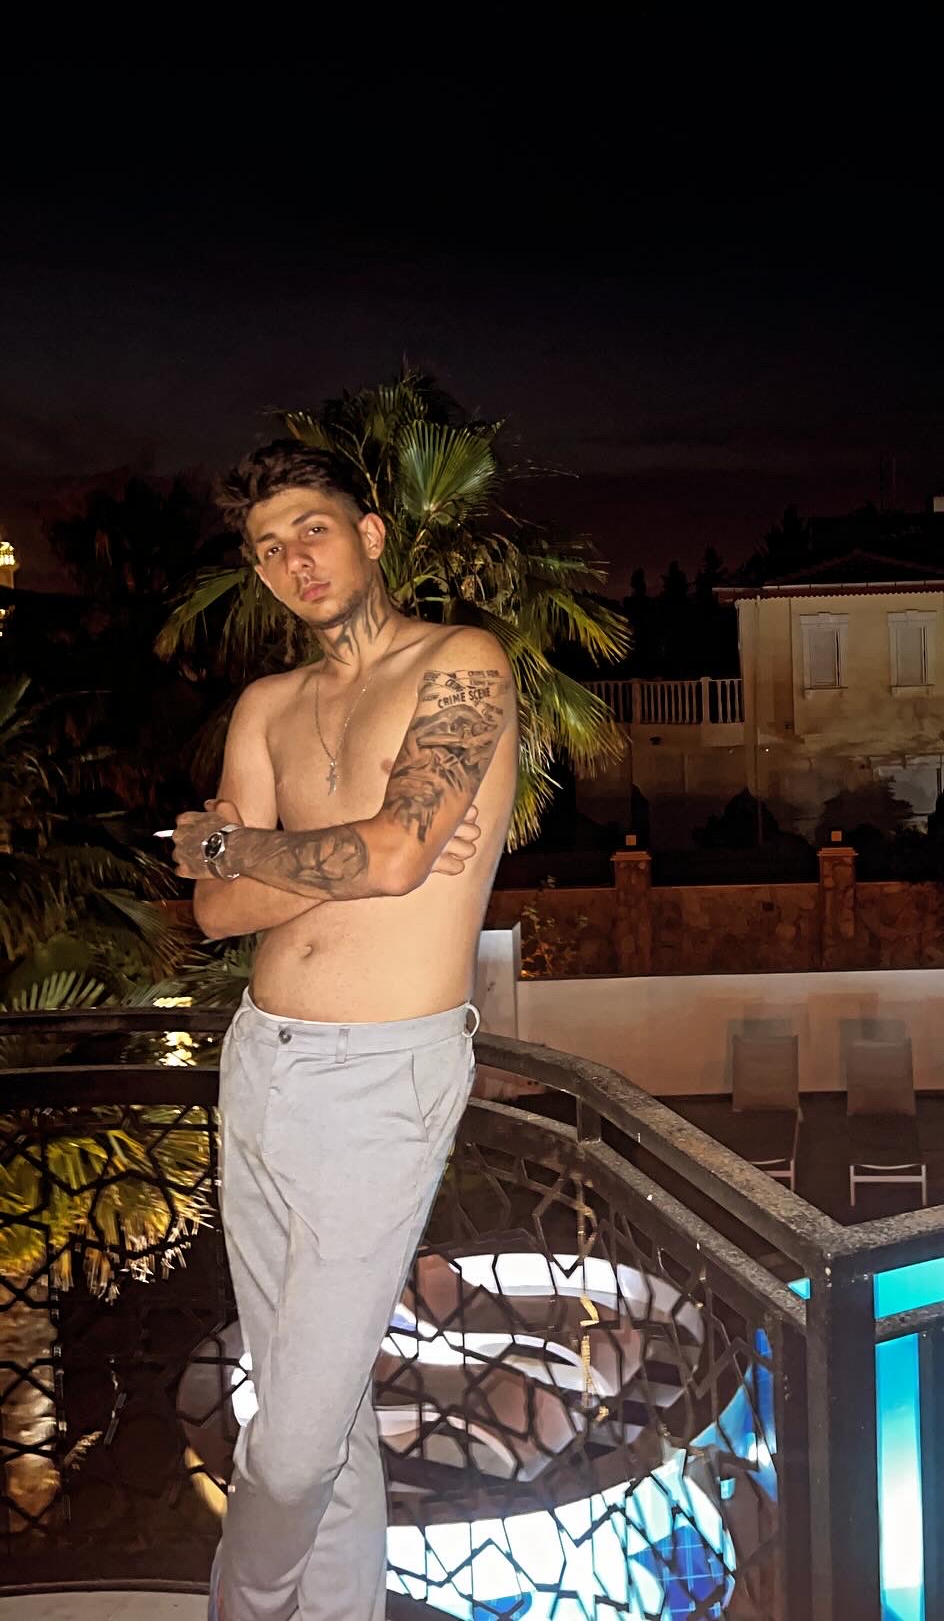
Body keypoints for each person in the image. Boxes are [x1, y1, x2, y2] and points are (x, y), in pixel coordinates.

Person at [168, 440, 518, 1621]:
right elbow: (215, 910)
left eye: (311, 530)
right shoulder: (266, 707)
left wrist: (244, 847)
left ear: (370, 534)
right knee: (318, 1410)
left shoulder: (459, 664)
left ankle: (245, 1610)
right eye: (267, 548)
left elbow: (394, 856)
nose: (292, 561)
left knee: (289, 1446)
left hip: (381, 1078)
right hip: (259, 1063)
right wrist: (344, 855)